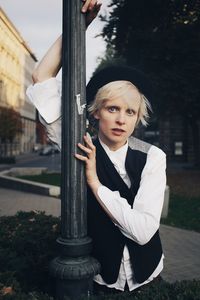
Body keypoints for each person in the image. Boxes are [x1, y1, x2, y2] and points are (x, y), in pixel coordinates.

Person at [26, 0, 166, 295]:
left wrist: (95, 183)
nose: (121, 119)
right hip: (103, 282)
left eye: (130, 112)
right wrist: (81, 25)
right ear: (96, 112)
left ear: (137, 118)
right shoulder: (78, 143)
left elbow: (142, 232)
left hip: (149, 279)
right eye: (113, 108)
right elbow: (42, 78)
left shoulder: (153, 157)